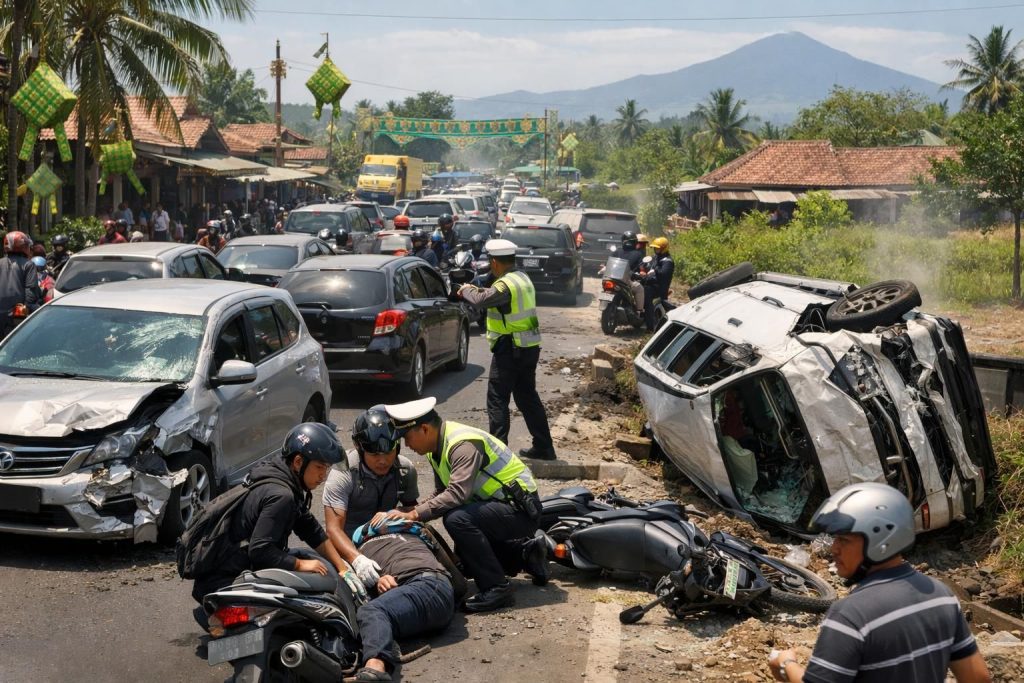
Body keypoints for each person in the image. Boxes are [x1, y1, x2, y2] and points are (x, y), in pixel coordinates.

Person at [768, 483, 992, 683]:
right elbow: (978, 677)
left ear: (881, 540)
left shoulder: (850, 615)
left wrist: (787, 666)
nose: (834, 548)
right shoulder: (942, 596)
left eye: (844, 539)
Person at [381, 397, 549, 613]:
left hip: (522, 510)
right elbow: (443, 492)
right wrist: (412, 510)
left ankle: (497, 588)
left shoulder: (462, 445)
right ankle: (526, 553)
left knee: (456, 519)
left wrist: (415, 514)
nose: (407, 445)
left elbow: (457, 493)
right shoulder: (436, 449)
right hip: (495, 508)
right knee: (468, 564)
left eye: (407, 437)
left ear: (424, 429)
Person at [190, 423, 351, 628]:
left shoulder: (281, 477)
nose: (323, 476)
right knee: (304, 604)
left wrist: (342, 568)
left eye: (327, 469)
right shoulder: (281, 496)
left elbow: (310, 528)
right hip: (225, 582)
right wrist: (300, 565)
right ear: (298, 462)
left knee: (310, 559)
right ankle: (229, 621)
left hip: (226, 572)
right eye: (319, 467)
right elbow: (260, 551)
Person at [457, 238, 555, 461]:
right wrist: (478, 288)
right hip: (527, 346)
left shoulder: (505, 284)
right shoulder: (522, 278)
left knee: (497, 398)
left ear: (494, 262)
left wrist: (465, 290)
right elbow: (496, 297)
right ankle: (544, 447)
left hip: (510, 349)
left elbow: (482, 300)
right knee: (527, 397)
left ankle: (497, 455)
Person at [323, 407, 420, 589]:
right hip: (348, 545)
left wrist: (396, 512)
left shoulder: (405, 470)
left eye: (388, 452)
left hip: (385, 538)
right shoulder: (343, 472)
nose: (382, 460)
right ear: (360, 449)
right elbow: (333, 530)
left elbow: (415, 512)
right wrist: (358, 560)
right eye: (375, 454)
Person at [349, 518, 457, 682]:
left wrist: (380, 582)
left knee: (370, 612)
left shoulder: (364, 552)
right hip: (437, 590)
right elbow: (460, 586)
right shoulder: (418, 536)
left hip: (425, 587)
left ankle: (375, 668)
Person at [0, 231, 42, 336]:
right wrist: (28, 310)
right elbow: (30, 291)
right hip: (17, 315)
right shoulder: (29, 265)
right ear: (23, 246)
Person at [642, 237, 674, 331]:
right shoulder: (656, 257)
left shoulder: (668, 261)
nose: (656, 250)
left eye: (658, 248)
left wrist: (655, 270)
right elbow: (647, 265)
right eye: (655, 248)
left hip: (659, 287)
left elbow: (664, 273)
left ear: (664, 248)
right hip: (650, 283)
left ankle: (649, 326)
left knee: (647, 295)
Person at [619, 231, 645, 315]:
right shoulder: (638, 254)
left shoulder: (616, 251)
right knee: (639, 288)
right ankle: (639, 311)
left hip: (613, 278)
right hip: (625, 280)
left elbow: (607, 264)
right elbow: (642, 269)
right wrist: (642, 272)